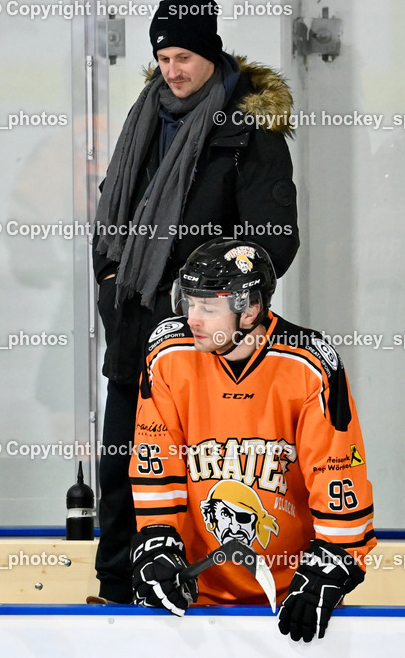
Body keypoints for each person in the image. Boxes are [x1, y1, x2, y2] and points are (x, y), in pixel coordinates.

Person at [91, 0, 299, 604]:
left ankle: (205, 592)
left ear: (211, 54)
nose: (172, 70)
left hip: (207, 346)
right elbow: (111, 220)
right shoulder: (144, 119)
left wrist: (205, 300)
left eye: (184, 56)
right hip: (135, 330)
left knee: (206, 477)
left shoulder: (248, 133)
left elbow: (273, 243)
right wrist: (110, 284)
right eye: (163, 57)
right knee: (124, 465)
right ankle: (116, 591)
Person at [129, 239, 375, 643]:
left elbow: (337, 471)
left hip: (293, 597)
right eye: (189, 303)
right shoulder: (169, 352)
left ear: (252, 310)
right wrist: (157, 537)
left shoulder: (308, 363)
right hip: (193, 597)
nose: (193, 319)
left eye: (208, 309)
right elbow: (157, 456)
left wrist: (337, 557)